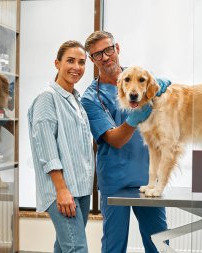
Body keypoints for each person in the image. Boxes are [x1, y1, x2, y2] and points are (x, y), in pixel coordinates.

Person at [81, 31, 169, 253]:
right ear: (92, 60)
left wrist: (167, 87)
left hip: (147, 177)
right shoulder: (91, 98)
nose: (106, 57)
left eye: (108, 50)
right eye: (97, 54)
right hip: (115, 180)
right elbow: (114, 140)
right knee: (114, 246)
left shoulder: (140, 77)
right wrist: (135, 118)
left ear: (117, 48)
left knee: (160, 243)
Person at [28, 40, 94, 253]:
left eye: (82, 62)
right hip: (63, 190)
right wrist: (62, 190)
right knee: (76, 248)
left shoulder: (76, 99)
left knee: (65, 246)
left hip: (81, 188)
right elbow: (46, 149)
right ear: (57, 63)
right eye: (70, 61)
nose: (77, 67)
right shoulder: (47, 99)